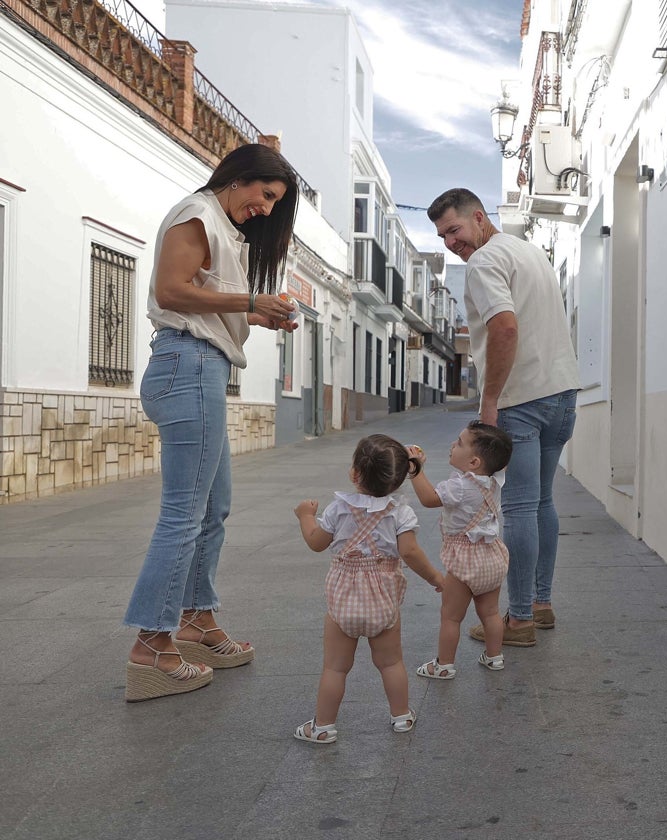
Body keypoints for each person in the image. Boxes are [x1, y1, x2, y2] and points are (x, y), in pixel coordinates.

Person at [124, 143, 301, 702]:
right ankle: (152, 645)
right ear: (241, 177)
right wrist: (251, 297)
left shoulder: (222, 227)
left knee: (212, 507)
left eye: (276, 202)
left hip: (201, 364)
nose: (268, 209)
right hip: (187, 363)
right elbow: (170, 291)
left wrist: (256, 313)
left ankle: (197, 621)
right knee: (184, 513)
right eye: (266, 195)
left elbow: (201, 296)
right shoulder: (197, 214)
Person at [428, 188, 581, 647]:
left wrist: (490, 399)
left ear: (479, 218)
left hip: (523, 398)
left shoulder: (483, 262)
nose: (451, 243)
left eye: (454, 230)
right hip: (563, 392)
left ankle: (517, 622)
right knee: (541, 503)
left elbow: (505, 326)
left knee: (517, 507)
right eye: (442, 237)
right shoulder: (530, 252)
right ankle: (540, 603)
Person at [292, 434, 443, 744]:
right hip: (383, 601)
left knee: (335, 668)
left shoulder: (338, 509)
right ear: (400, 479)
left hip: (343, 602)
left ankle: (323, 727)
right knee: (391, 662)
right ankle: (401, 715)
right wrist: (436, 579)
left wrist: (305, 516)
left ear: (355, 474)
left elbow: (317, 543)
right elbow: (411, 553)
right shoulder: (401, 513)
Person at [407, 422, 514, 679]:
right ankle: (494, 657)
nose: (453, 445)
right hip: (492, 556)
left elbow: (429, 498)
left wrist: (415, 469)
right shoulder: (495, 479)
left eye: (459, 443)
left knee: (451, 617)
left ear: (474, 462)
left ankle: (444, 665)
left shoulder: (460, 487)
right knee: (490, 613)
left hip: (465, 562)